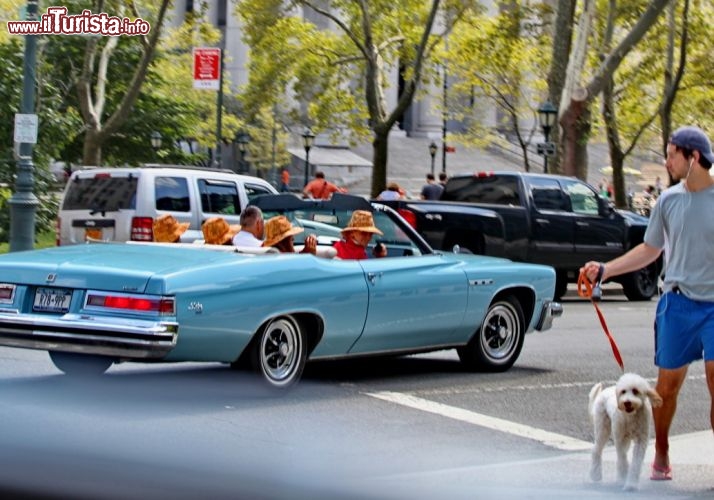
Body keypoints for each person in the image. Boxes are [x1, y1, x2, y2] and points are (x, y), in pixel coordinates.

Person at [580, 125, 714, 482]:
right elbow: (649, 250)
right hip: (677, 305)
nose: (666, 160)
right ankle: (662, 449)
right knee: (665, 389)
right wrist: (606, 270)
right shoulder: (668, 200)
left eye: (672, 153)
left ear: (694, 157)